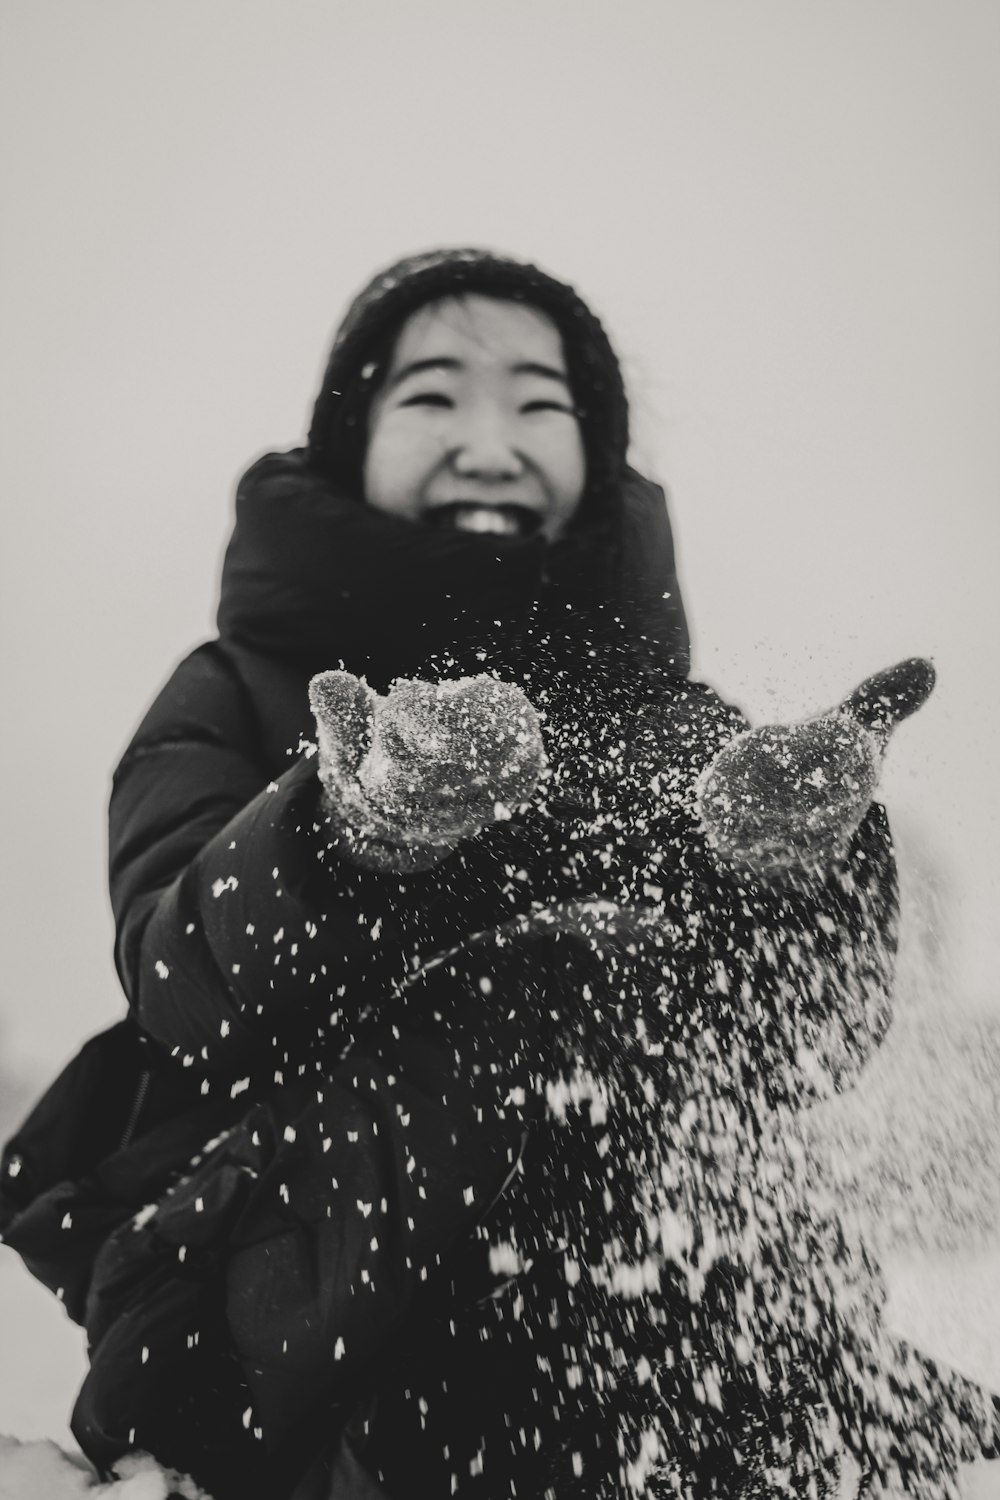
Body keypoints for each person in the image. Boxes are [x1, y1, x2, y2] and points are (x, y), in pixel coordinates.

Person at [1, 249, 994, 1500]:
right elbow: (186, 988)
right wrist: (355, 837)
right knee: (563, 977)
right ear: (348, 443)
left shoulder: (673, 725)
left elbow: (801, 1043)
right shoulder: (234, 690)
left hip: (645, 1299)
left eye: (539, 403)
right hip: (283, 1296)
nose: (489, 439)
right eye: (431, 398)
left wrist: (790, 880)